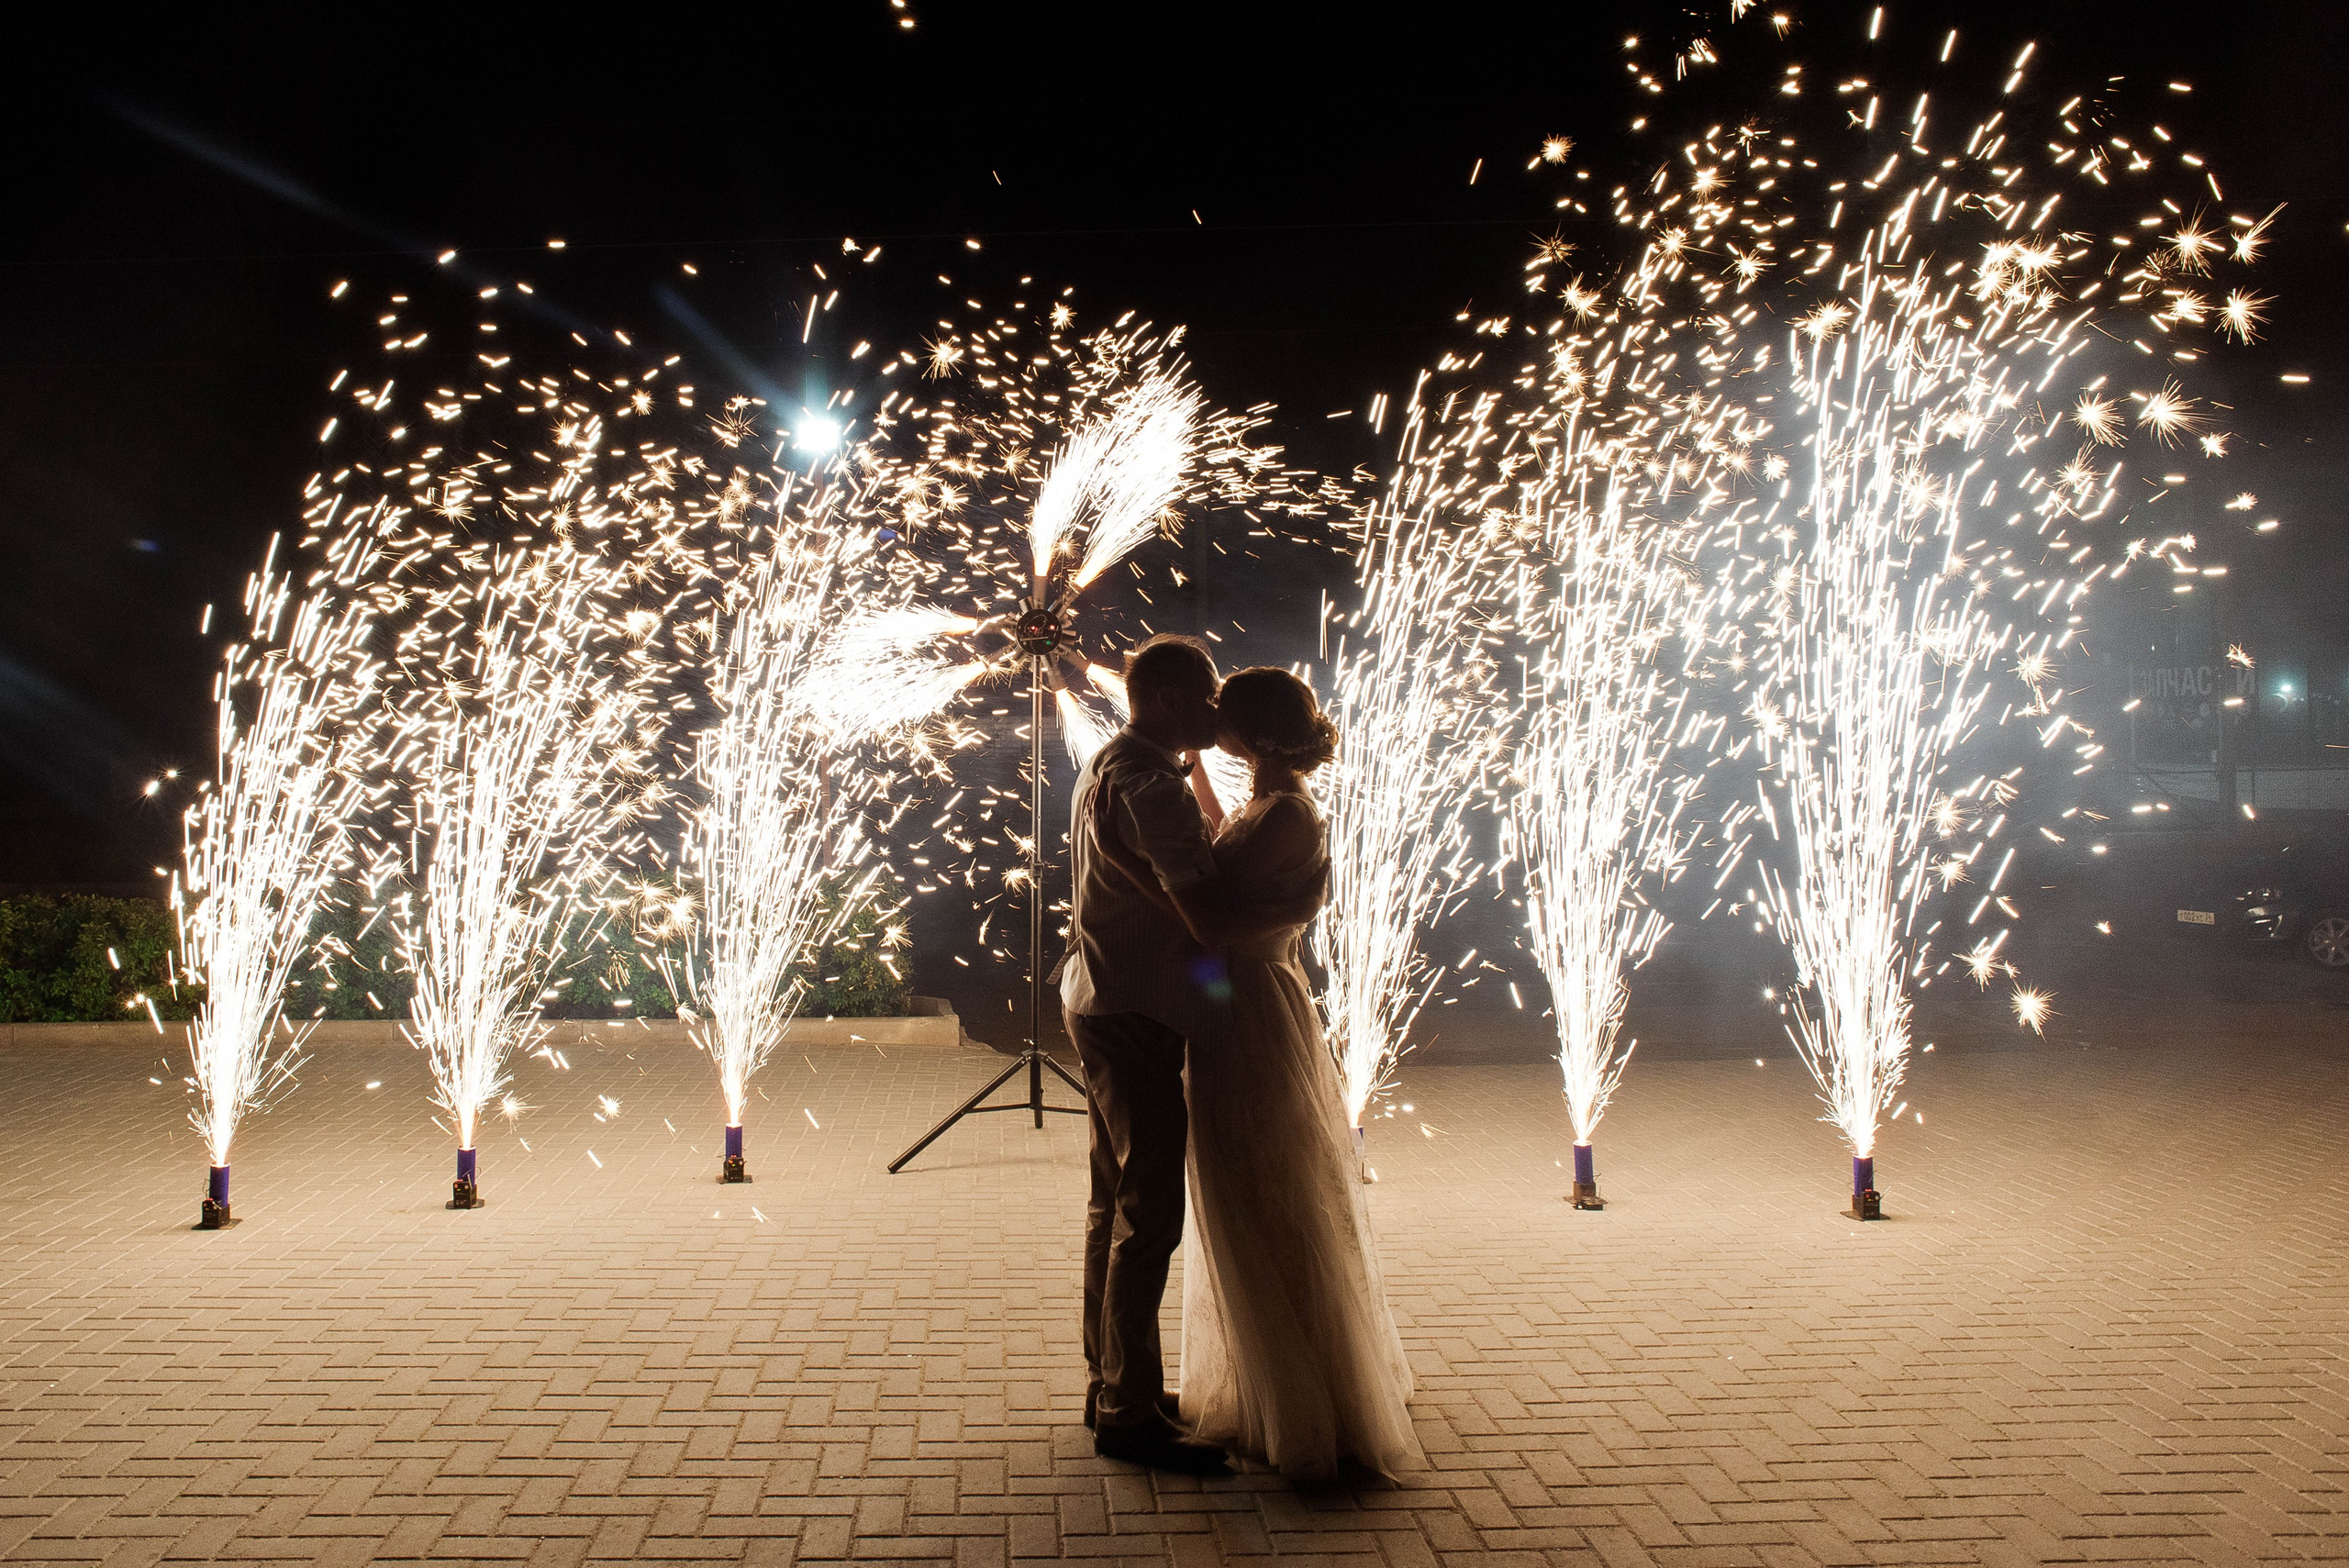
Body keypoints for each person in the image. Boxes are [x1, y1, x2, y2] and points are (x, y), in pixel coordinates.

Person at [1119, 667, 1421, 1481]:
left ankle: (1307, 1393)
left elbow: (1216, 914)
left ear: (1250, 732)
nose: (1208, 713)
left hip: (1251, 1010)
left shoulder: (1286, 814)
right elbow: (1222, 852)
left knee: (1267, 1189)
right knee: (1246, 1187)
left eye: (1224, 710)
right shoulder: (1260, 803)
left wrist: (1265, 910)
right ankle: (1266, 1380)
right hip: (1236, 1006)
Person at [1060, 635, 1316, 1475]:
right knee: (1149, 1215)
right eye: (1205, 696)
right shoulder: (1150, 788)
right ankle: (1128, 1413)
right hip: (1133, 1014)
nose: (1217, 710)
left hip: (1097, 997)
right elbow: (1205, 920)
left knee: (1113, 1203)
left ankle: (1113, 1383)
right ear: (1170, 700)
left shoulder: (1112, 764)